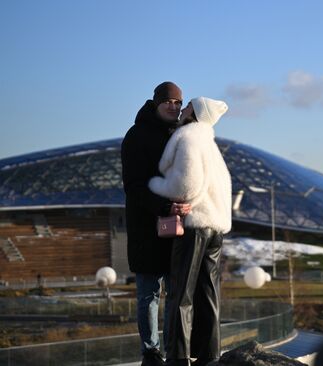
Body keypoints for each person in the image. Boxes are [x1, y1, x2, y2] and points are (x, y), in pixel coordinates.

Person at [148, 97, 232, 366]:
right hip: (216, 227)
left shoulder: (189, 137)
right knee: (209, 294)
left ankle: (178, 357)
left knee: (180, 294)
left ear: (195, 114)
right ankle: (209, 356)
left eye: (187, 107)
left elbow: (186, 184)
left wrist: (157, 186)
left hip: (195, 226)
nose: (181, 110)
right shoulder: (210, 143)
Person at [121, 81, 191, 366]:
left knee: (176, 292)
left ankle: (175, 347)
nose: (173, 107)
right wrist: (164, 206)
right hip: (146, 226)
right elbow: (134, 186)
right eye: (168, 102)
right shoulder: (137, 135)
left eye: (178, 103)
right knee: (149, 293)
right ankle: (150, 352)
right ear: (156, 103)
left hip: (177, 226)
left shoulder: (181, 134)